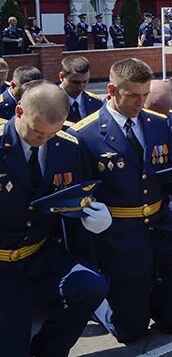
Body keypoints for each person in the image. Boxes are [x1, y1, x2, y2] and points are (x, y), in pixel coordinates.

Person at [70, 58, 172, 342]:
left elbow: (169, 173)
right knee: (131, 333)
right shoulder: (84, 134)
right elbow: (79, 191)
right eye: (133, 96)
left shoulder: (158, 124)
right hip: (118, 233)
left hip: (161, 222)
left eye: (145, 95)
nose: (140, 102)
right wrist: (89, 217)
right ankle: (102, 306)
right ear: (113, 90)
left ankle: (163, 312)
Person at [0, 82, 111, 357]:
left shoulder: (67, 147)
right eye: (37, 131)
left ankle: (49, 350)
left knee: (91, 285)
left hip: (40, 253)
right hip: (2, 264)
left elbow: (75, 196)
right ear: (18, 111)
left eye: (52, 133)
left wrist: (92, 215)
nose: (43, 140)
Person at [58, 56, 103, 124]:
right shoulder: (49, 103)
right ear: (61, 77)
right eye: (75, 82)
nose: (81, 87)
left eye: (85, 81)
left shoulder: (96, 103)